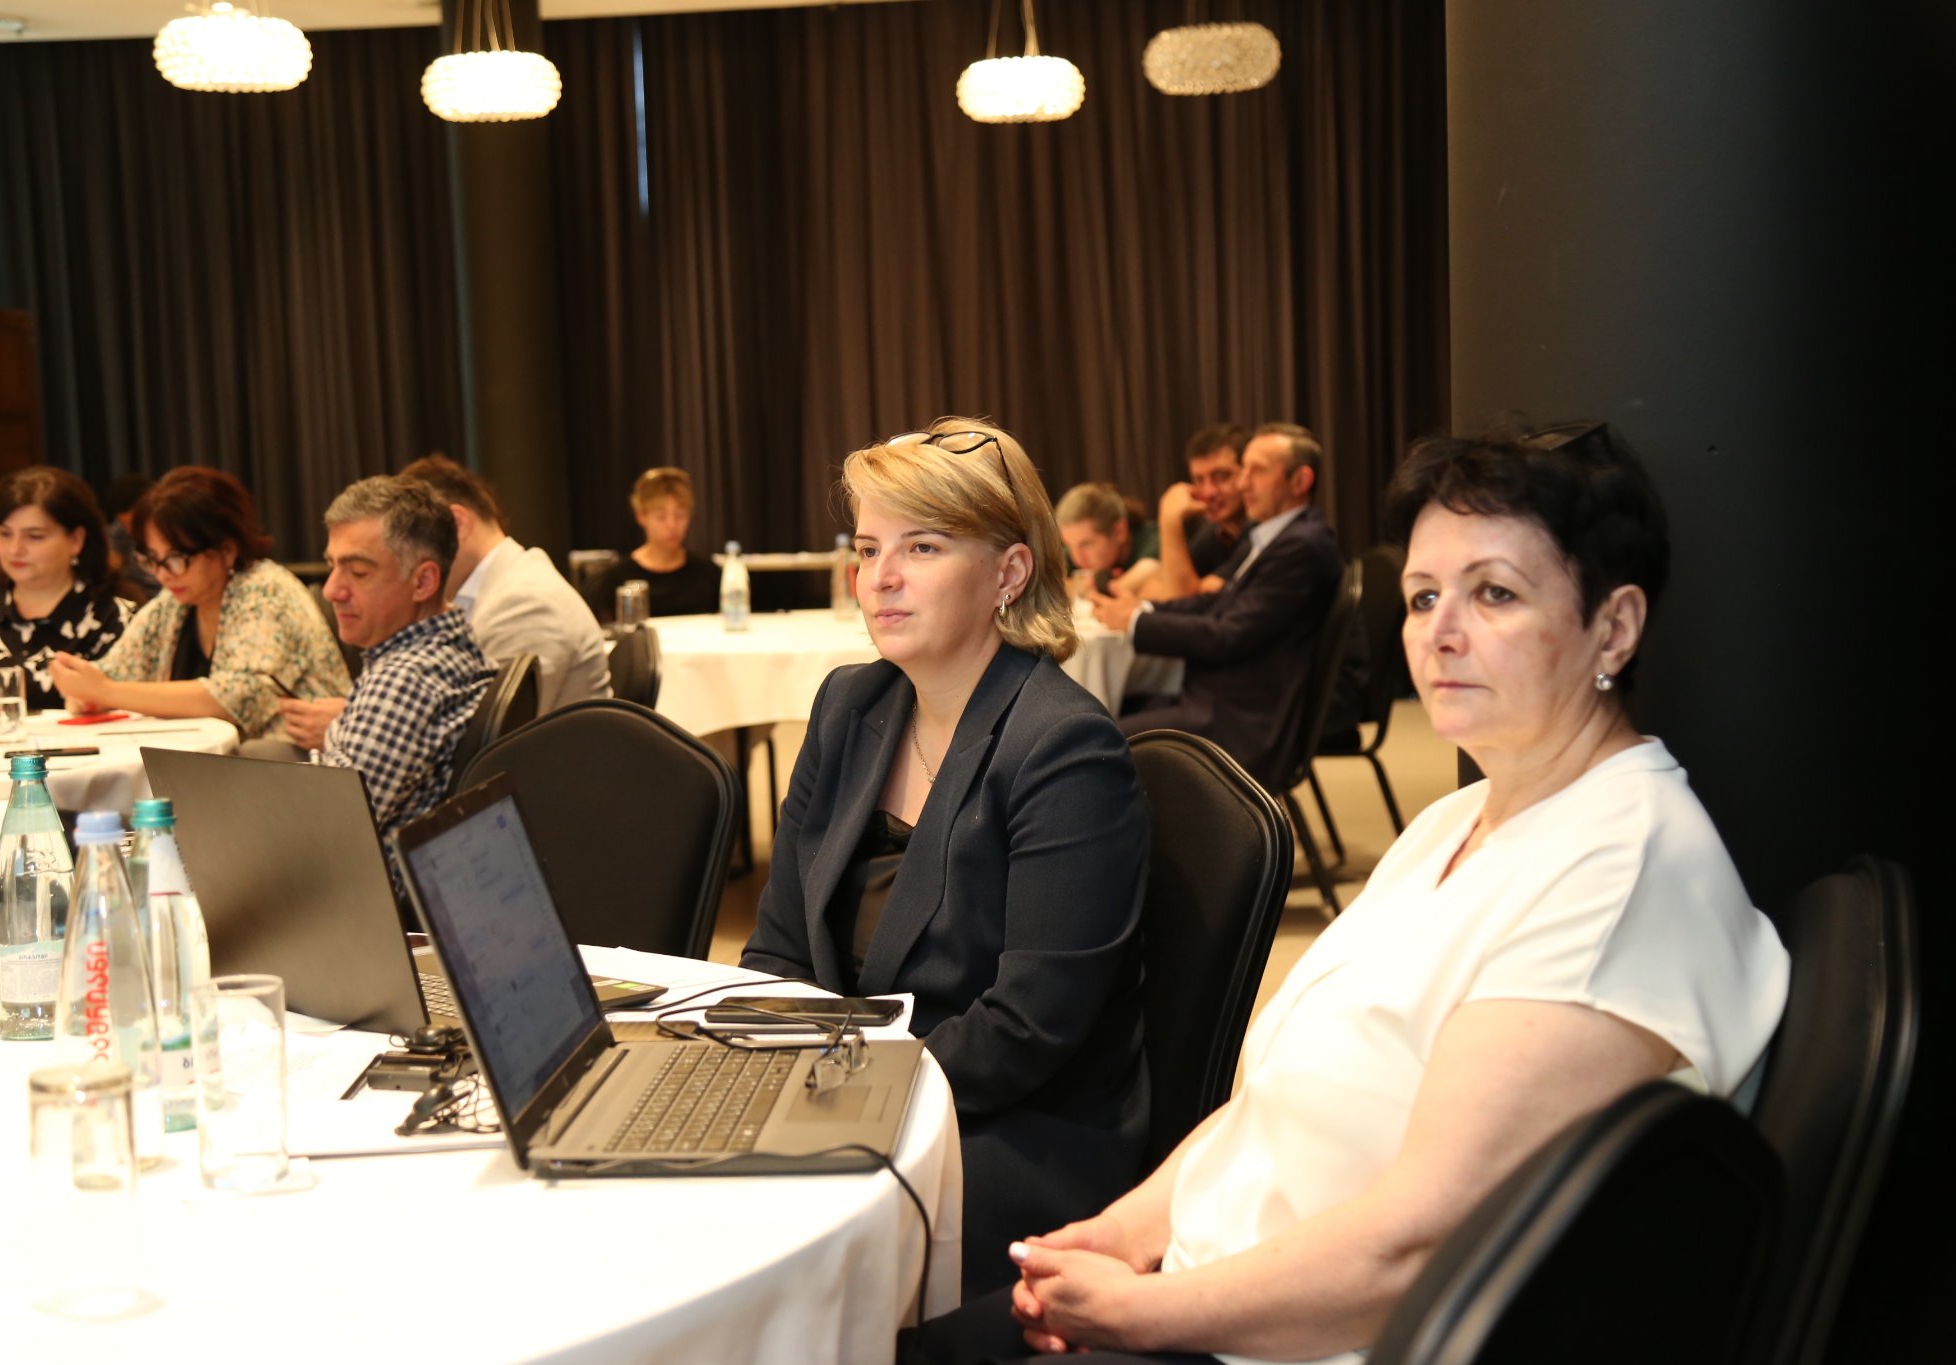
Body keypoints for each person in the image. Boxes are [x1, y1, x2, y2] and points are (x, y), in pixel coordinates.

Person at [910, 422, 1790, 1365]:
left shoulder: (1619, 870)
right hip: (1216, 1295)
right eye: (1423, 596)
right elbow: (1274, 1100)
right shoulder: (1459, 819)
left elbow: (1418, 1252)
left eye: (1494, 592)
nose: (1440, 632)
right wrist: (1121, 1233)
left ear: (1612, 627)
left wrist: (1134, 1312)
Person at [739, 418, 1150, 1300]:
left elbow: (1025, 1032)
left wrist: (829, 1093)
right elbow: (778, 944)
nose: (880, 577)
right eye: (867, 549)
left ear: (1009, 572)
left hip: (1008, 1130)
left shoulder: (1063, 748)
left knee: (759, 1243)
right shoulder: (850, 705)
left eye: (921, 547)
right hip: (865, 1090)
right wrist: (759, 1070)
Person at [1092, 423, 1344, 792]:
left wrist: (1135, 622)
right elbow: (1214, 603)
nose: (1243, 483)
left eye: (1257, 471)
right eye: (1244, 470)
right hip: (1220, 700)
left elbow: (1227, 635)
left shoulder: (1301, 546)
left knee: (1096, 743)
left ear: (1300, 481)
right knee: (1108, 714)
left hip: (1242, 722)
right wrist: (1144, 609)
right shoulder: (1269, 537)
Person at [48, 466, 349, 738]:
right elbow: (111, 675)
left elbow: (235, 699)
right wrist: (84, 691)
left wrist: (106, 691)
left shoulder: (266, 589)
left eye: (176, 558)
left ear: (226, 550)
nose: (163, 574)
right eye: (152, 560)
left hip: (299, 760)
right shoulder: (174, 603)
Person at [295, 477, 493, 842]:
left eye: (358, 572)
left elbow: (316, 834)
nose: (332, 590)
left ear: (423, 582)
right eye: (332, 566)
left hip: (362, 877)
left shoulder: (405, 680)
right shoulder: (449, 644)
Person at [400, 455, 611, 713]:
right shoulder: (494, 590)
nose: (404, 563)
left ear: (456, 525)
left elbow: (483, 730)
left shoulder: (525, 602)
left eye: (408, 543)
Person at [0, 466, 137, 713]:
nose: (15, 549)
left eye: (34, 536)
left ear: (76, 540)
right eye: (5, 534)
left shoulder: (115, 619)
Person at [579, 467, 721, 620]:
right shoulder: (618, 579)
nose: (672, 525)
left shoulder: (709, 573)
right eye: (661, 517)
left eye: (680, 515)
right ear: (641, 516)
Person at [1144, 423, 1249, 602]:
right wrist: (1196, 587)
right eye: (1199, 480)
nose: (1208, 492)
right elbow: (1151, 588)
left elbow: (1180, 597)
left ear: (1248, 474)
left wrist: (1169, 521)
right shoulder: (1214, 533)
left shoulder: (1263, 533)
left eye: (1221, 476)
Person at [1056, 483, 1161, 599]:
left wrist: (1082, 589)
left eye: (1086, 544)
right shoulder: (1076, 549)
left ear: (1119, 531)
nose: (1077, 558)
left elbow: (1151, 569)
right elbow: (1049, 583)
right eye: (1069, 545)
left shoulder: (1156, 539)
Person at [101, 472, 158, 601]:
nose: (130, 530)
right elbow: (113, 566)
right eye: (124, 524)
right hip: (139, 599)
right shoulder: (120, 531)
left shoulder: (173, 528)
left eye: (135, 523)